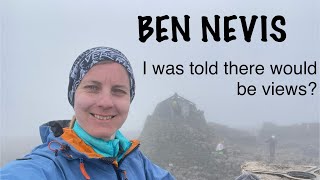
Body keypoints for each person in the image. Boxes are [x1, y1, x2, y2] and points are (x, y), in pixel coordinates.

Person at [0, 47, 175, 180]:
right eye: (92, 88)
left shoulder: (134, 159)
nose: (105, 103)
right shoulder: (46, 167)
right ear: (73, 95)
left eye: (118, 90)